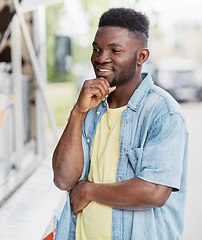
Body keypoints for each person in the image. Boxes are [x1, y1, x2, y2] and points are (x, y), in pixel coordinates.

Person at [52, 8, 188, 240]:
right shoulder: (88, 109)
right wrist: (77, 113)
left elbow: (154, 192)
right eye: (97, 49)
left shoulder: (163, 113)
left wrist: (89, 190)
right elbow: (64, 179)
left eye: (115, 50)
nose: (101, 58)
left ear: (141, 57)